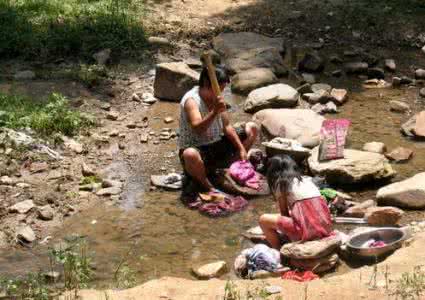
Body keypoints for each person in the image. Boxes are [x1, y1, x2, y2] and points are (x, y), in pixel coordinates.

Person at [178, 66, 259, 195]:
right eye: (219, 89)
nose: (220, 93)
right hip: (199, 148)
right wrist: (215, 111)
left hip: (216, 144)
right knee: (190, 154)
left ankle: (233, 168)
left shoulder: (218, 98)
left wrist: (241, 149)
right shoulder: (191, 101)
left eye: (222, 89)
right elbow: (198, 129)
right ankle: (207, 186)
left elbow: (227, 127)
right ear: (206, 84)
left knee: (252, 128)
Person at [259, 155, 333, 249]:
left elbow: (284, 213)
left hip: (307, 232)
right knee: (288, 214)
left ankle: (277, 250)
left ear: (273, 172)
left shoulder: (281, 184)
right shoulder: (306, 180)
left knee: (263, 219)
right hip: (324, 228)